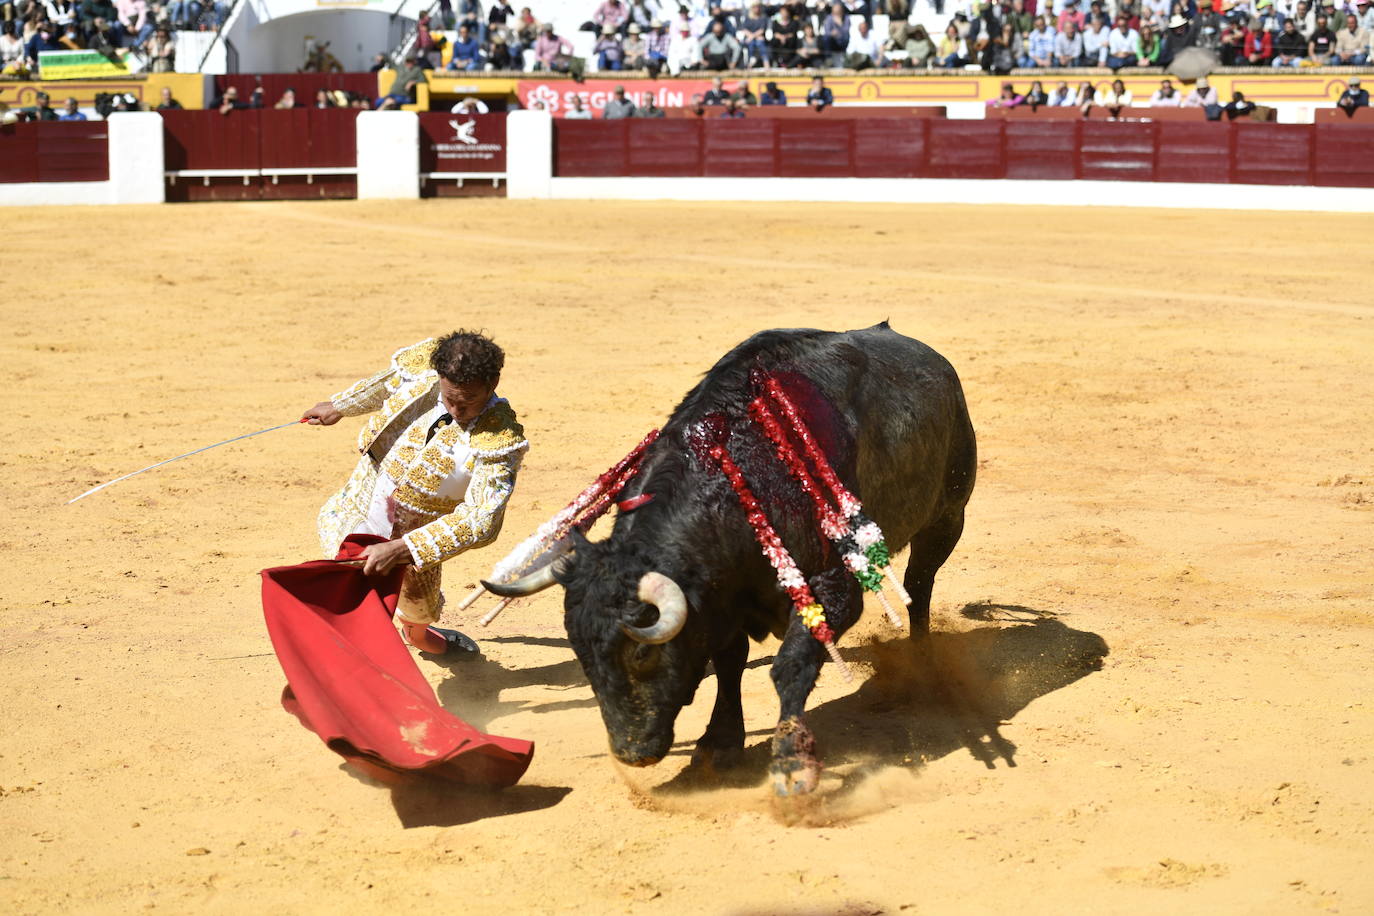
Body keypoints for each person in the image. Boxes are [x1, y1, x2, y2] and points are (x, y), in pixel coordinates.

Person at [304, 332, 528, 658]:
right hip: (365, 495)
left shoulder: (498, 438)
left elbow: (483, 521)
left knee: (416, 608)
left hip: (416, 534)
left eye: (468, 401)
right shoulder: (425, 372)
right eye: (450, 398)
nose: (457, 410)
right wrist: (339, 406)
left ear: (493, 381)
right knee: (351, 587)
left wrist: (403, 548)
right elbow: (388, 383)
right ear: (439, 376)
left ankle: (419, 637)